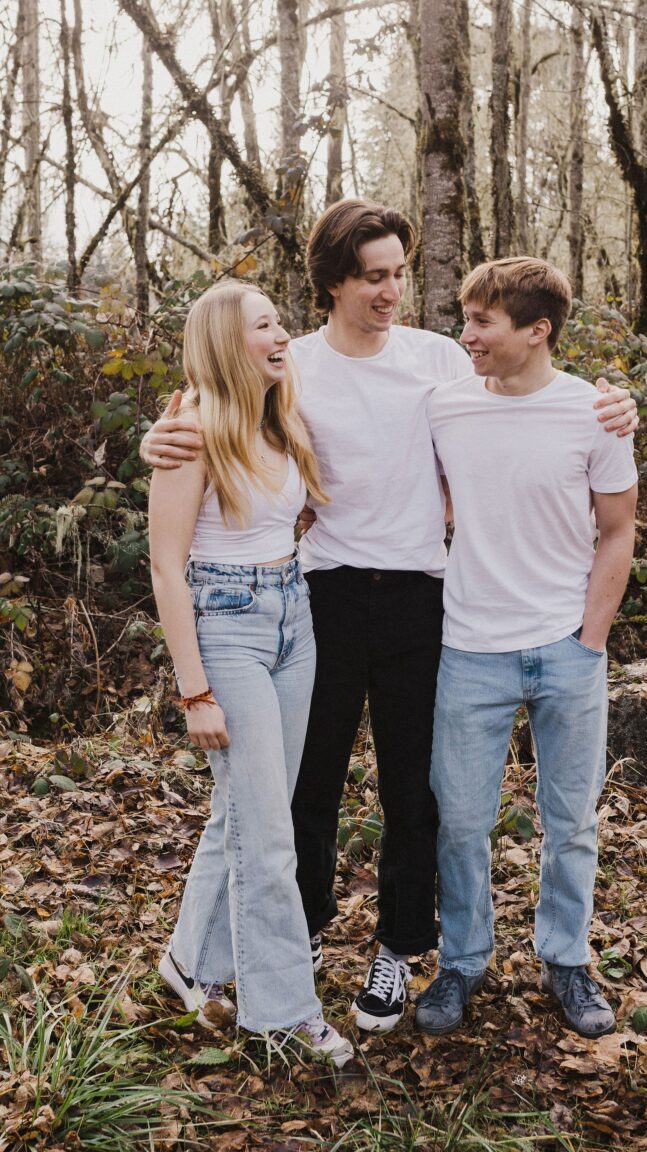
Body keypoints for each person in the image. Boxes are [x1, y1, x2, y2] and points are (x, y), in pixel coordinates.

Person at [141, 199, 639, 1035]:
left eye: (400, 273)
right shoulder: (289, 362)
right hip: (320, 594)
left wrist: (613, 403)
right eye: (374, 277)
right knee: (310, 787)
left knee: (418, 792)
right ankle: (295, 936)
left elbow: (526, 393)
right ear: (333, 283)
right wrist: (160, 436)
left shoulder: (441, 358)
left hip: (425, 597)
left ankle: (398, 949)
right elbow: (216, 409)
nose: (393, 291)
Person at [415, 257, 638, 1040]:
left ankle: (566, 959)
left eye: (482, 322)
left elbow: (618, 530)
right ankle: (463, 962)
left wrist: (591, 638)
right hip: (469, 645)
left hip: (566, 649)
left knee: (570, 821)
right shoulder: (444, 405)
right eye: (466, 318)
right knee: (462, 822)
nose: (465, 335)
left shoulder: (595, 414)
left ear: (537, 332)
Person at [148, 280, 353, 1066]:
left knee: (247, 809)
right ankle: (283, 1016)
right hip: (225, 628)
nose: (281, 334)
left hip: (291, 616)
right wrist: (194, 690)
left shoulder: (277, 411)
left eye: (279, 321)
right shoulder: (192, 428)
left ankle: (189, 961)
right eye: (263, 325)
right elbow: (168, 569)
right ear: (226, 343)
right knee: (270, 835)